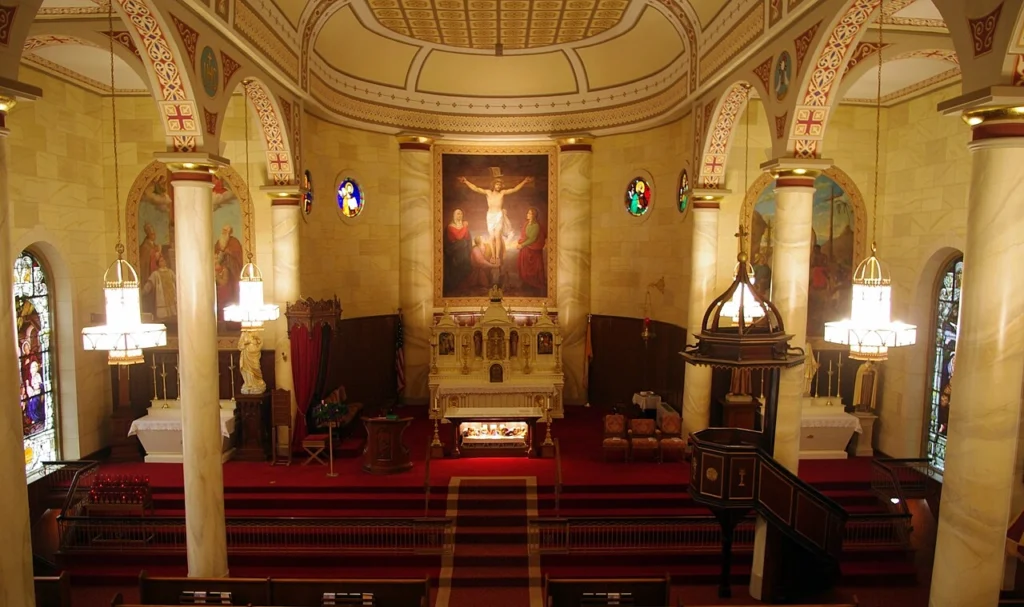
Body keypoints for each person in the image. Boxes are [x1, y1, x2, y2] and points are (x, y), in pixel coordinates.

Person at [458, 174, 533, 267]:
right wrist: (466, 181)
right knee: (492, 237)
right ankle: (493, 256)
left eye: (500, 185)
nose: (498, 186)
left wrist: (524, 181)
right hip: (490, 216)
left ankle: (497, 257)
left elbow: (514, 189)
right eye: (497, 184)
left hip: (499, 215)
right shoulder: (488, 192)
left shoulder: (502, 193)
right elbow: (476, 188)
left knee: (497, 236)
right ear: (493, 185)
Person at [214, 224, 244, 319]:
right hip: (221, 269)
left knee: (232, 293)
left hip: (233, 271)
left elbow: (238, 254)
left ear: (230, 232)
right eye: (223, 231)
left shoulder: (234, 242)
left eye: (226, 231)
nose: (224, 233)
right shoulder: (219, 242)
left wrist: (229, 252)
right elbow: (216, 253)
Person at [513, 207, 546, 292]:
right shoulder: (526, 224)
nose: (527, 214)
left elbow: (532, 239)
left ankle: (532, 284)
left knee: (532, 269)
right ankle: (525, 282)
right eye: (528, 213)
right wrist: (520, 243)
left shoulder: (536, 226)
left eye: (529, 213)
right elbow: (524, 237)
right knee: (524, 267)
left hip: (532, 250)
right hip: (525, 249)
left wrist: (522, 245)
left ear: (533, 215)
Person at [445, 208, 473, 292]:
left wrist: (464, 228)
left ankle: (464, 286)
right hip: (454, 250)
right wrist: (464, 227)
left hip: (463, 251)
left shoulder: (462, 226)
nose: (460, 215)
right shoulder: (450, 226)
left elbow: (467, 237)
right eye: (458, 214)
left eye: (461, 214)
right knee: (458, 266)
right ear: (454, 215)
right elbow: (459, 237)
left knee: (465, 264)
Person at [142, 254, 177, 320]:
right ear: (158, 263)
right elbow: (149, 284)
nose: (163, 262)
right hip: (162, 299)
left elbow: (177, 281)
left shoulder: (170, 272)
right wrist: (143, 292)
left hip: (172, 298)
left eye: (163, 260)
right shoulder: (155, 274)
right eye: (161, 261)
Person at [238, 330, 267, 394]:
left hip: (255, 354)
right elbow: (239, 346)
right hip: (246, 354)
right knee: (246, 369)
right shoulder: (244, 334)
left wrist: (258, 347)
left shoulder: (256, 332)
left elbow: (261, 342)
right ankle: (249, 384)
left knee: (256, 367)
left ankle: (257, 384)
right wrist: (245, 343)